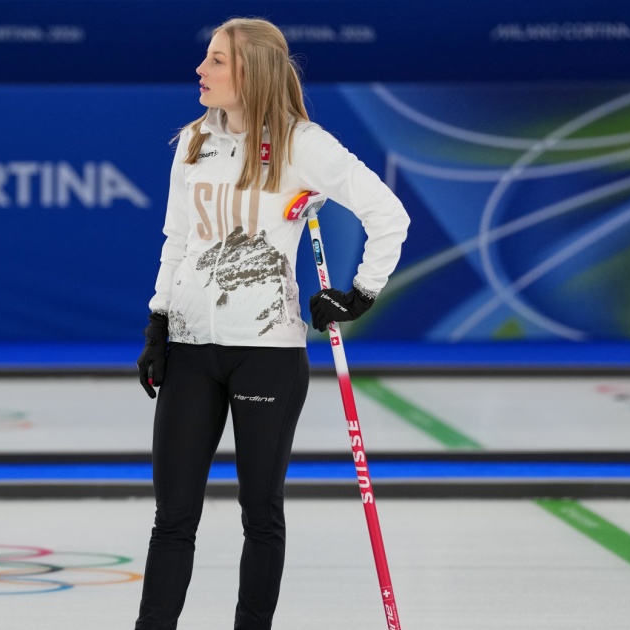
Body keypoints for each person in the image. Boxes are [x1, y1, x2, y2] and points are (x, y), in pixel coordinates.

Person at [133, 17, 409, 630]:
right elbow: (177, 239)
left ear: (252, 71)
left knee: (260, 512)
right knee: (172, 517)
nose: (200, 70)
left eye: (216, 60)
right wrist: (158, 321)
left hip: (266, 352)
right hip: (190, 349)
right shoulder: (194, 141)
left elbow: (388, 215)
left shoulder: (301, 144)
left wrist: (361, 293)